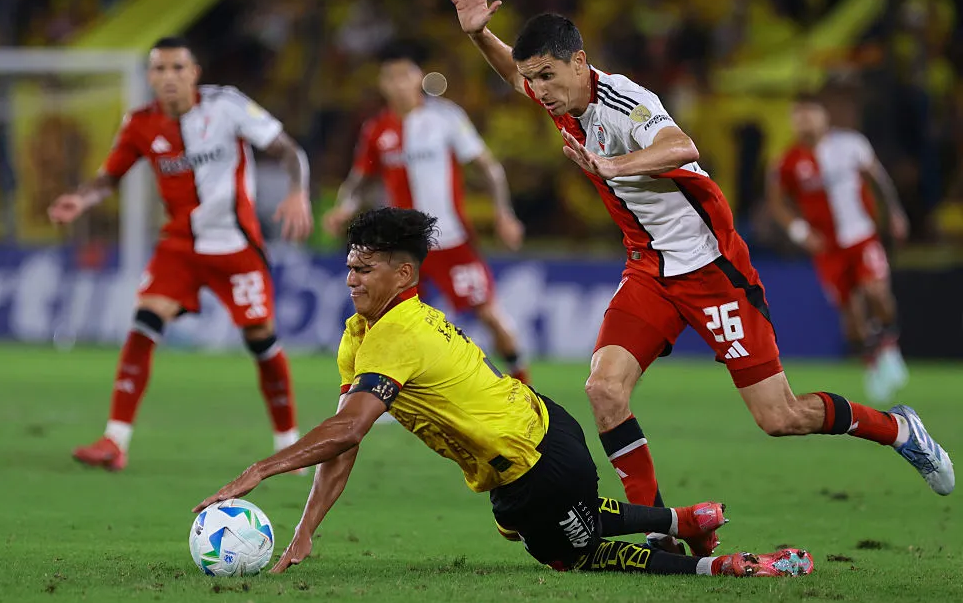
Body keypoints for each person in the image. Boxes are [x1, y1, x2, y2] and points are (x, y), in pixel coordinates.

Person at [439, 0, 954, 553]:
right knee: (604, 390)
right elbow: (513, 72)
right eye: (534, 78)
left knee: (779, 417)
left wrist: (612, 166)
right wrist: (479, 34)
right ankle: (658, 528)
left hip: (711, 269)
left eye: (548, 76)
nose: (539, 89)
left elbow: (682, 146)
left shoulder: (625, 100)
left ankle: (898, 429)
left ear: (579, 63)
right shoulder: (557, 95)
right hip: (649, 270)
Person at [195, 207, 815, 579]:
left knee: (573, 557)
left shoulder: (397, 336)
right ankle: (684, 519)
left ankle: (721, 565)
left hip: (536, 465)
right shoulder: (362, 334)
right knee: (521, 525)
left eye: (365, 268)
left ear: (404, 274)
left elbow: (349, 429)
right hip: (541, 434)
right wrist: (306, 529)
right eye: (350, 266)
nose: (350, 278)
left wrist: (261, 469)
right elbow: (343, 440)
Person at [48, 37, 314, 471]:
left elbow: (288, 150)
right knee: (143, 324)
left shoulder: (227, 105)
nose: (169, 77)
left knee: (261, 341)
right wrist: (81, 199)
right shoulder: (140, 123)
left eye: (177, 68)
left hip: (236, 247)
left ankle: (290, 444)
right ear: (149, 77)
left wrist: (298, 192)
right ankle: (115, 440)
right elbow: (109, 177)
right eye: (160, 69)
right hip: (180, 247)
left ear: (194, 73)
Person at [322, 41, 530, 383]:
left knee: (489, 314)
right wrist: (343, 208)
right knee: (387, 320)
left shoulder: (446, 117)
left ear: (418, 77)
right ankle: (382, 390)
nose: (398, 84)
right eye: (390, 77)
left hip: (451, 240)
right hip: (403, 247)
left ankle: (525, 384)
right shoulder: (377, 129)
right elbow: (360, 179)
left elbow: (488, 167)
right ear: (382, 84)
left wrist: (503, 213)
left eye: (404, 75)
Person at [768, 94, 909, 402]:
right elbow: (777, 201)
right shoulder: (788, 161)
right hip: (828, 249)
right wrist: (800, 232)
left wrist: (895, 213)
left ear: (824, 116)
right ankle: (872, 363)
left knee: (876, 291)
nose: (805, 121)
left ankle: (890, 346)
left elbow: (878, 179)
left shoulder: (851, 144)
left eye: (810, 114)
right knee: (852, 316)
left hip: (861, 236)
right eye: (799, 116)